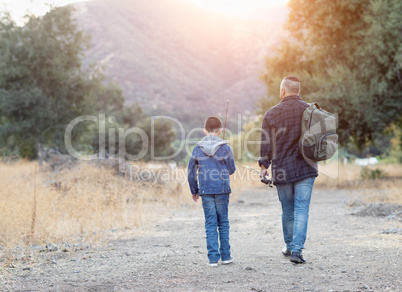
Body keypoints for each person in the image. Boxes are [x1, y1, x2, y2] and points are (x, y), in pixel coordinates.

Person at [259, 76, 318, 264]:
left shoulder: (272, 113)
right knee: (302, 209)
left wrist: (263, 167)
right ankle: (297, 251)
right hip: (306, 167)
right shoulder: (311, 111)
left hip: (282, 168)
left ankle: (290, 246)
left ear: (283, 90)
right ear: (298, 91)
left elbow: (266, 145)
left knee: (288, 210)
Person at [188, 116, 236, 267]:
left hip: (206, 190)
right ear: (220, 131)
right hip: (222, 189)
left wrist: (194, 190)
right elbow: (231, 170)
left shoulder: (197, 148)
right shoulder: (226, 148)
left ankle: (213, 259)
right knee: (223, 222)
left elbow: (190, 172)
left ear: (204, 131)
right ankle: (226, 256)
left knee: (210, 223)